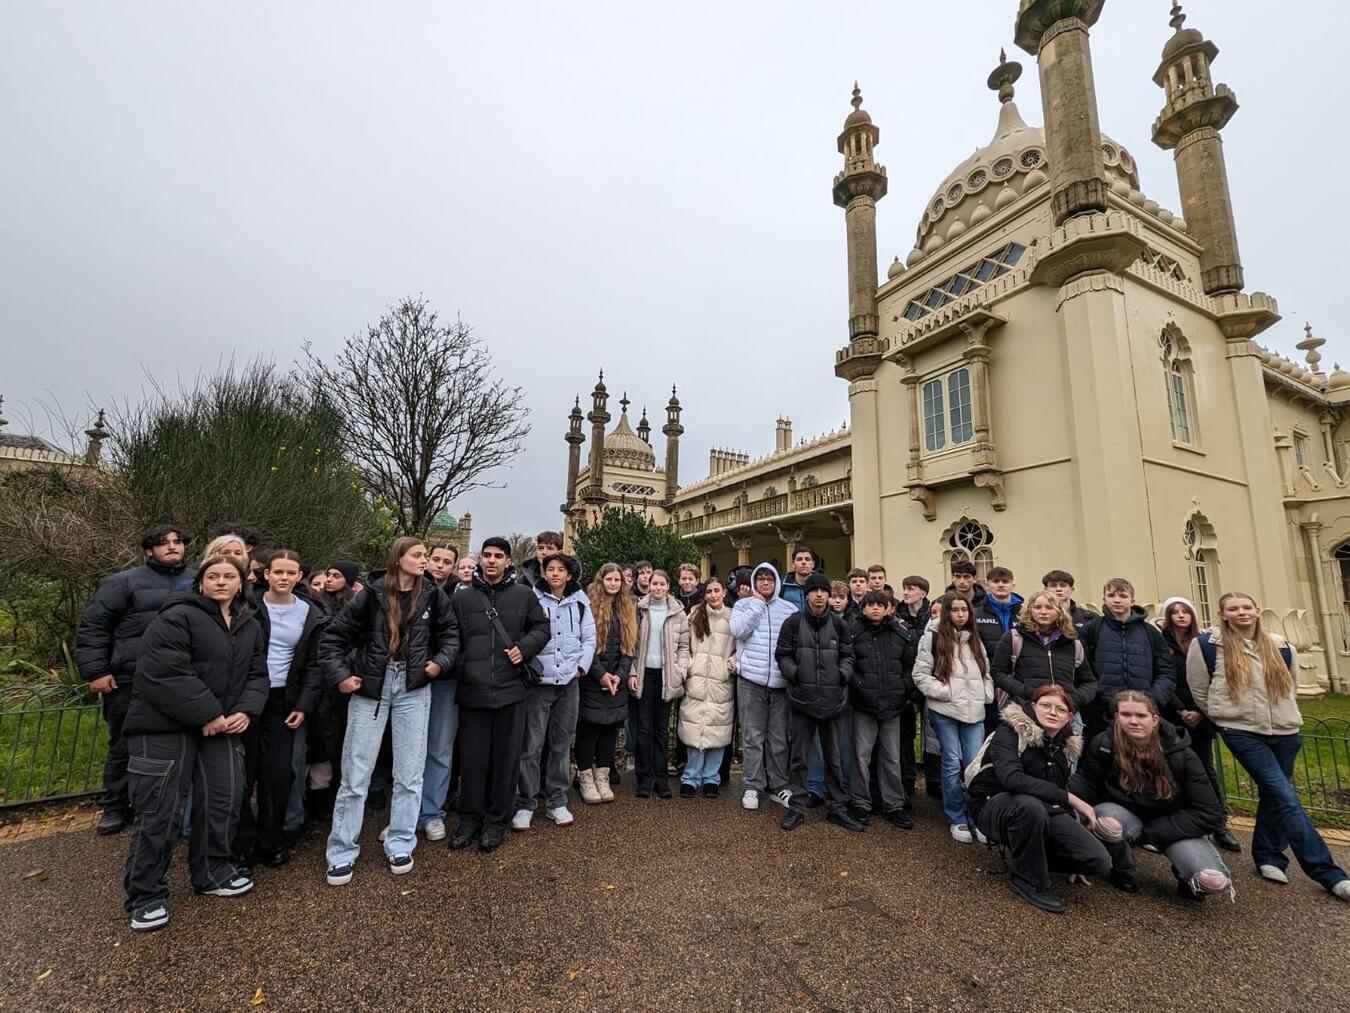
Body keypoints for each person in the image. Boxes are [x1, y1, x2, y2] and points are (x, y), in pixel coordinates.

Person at [121, 553, 268, 932]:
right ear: (200, 582)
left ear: (241, 582)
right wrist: (206, 714)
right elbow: (163, 671)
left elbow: (257, 673)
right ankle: (146, 894)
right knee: (160, 810)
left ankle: (212, 871)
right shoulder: (177, 616)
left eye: (229, 576)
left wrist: (246, 710)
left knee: (223, 799)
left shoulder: (248, 624)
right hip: (164, 727)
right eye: (213, 576)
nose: (221, 581)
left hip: (223, 727)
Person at [1187, 591, 1350, 901]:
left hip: (1285, 729)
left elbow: (1292, 683)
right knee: (1285, 796)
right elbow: (1199, 688)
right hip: (1241, 730)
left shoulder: (1280, 644)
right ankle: (1328, 872)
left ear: (1257, 611)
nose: (1241, 613)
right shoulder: (1209, 645)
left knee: (1274, 794)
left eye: (1246, 607)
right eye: (1233, 609)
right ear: (1223, 614)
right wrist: (1223, 716)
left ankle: (1268, 856)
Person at [319, 538, 459, 886]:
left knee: (410, 772)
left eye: (426, 556)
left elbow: (451, 636)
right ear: (398, 558)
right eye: (418, 555)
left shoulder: (432, 595)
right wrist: (341, 677)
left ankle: (400, 842)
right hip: (373, 686)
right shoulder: (372, 593)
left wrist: (438, 664)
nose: (424, 560)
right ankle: (341, 850)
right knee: (356, 774)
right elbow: (333, 638)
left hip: (413, 687)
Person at [76, 524, 196, 836]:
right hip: (130, 677)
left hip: (182, 676)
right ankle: (115, 805)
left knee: (179, 742)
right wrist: (96, 672)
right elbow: (94, 627)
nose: (172, 547)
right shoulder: (123, 582)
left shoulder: (198, 578)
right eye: (163, 543)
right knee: (123, 744)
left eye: (177, 542)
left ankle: (171, 804)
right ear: (148, 551)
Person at [1069, 691, 1232, 899]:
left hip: (1174, 824)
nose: (1133, 721)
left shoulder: (1183, 754)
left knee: (1212, 881)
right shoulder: (1104, 744)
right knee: (1105, 823)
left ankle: (1185, 876)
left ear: (1155, 720)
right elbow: (1086, 783)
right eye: (1126, 715)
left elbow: (1210, 813)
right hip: (1125, 814)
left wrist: (1152, 833)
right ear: (1116, 717)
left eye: (1141, 716)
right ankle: (1122, 869)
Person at [966, 686, 1111, 914]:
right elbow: (1011, 779)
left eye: (1060, 709)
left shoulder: (1066, 747)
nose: (1052, 712)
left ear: (1069, 717)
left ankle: (1034, 860)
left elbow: (1058, 795)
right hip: (993, 804)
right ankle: (1027, 878)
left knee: (1098, 860)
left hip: (1043, 809)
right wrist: (1072, 799)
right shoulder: (1009, 731)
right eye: (1046, 705)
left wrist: (1076, 848)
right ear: (1034, 707)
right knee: (1029, 806)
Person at [448, 537, 550, 852]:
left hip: (511, 691)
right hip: (473, 691)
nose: (492, 561)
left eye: (499, 556)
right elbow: (451, 638)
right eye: (487, 555)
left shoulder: (523, 595)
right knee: (473, 760)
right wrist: (464, 667)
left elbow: (542, 629)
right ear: (480, 560)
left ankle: (496, 822)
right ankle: (469, 820)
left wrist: (524, 647)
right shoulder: (462, 599)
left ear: (508, 561)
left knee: (506, 760)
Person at [234, 549, 325, 869]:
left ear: (299, 577)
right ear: (266, 575)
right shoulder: (247, 606)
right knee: (243, 775)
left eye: (291, 573)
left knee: (279, 774)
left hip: (283, 700)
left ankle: (270, 840)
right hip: (246, 698)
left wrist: (303, 704)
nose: (284, 578)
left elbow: (314, 664)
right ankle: (241, 844)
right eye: (278, 572)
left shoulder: (310, 612)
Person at [513, 554, 594, 830]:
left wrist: (580, 667)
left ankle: (557, 800)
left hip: (568, 682)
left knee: (561, 744)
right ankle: (526, 801)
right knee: (531, 746)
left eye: (561, 570)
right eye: (550, 569)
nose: (555, 574)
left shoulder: (581, 601)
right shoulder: (531, 597)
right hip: (539, 683)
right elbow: (522, 634)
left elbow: (589, 638)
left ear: (569, 575)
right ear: (544, 573)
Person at [776, 573, 861, 832]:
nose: (819, 595)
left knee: (833, 758)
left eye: (824, 591)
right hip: (802, 700)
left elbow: (848, 654)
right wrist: (795, 672)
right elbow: (782, 654)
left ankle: (837, 807)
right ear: (807, 594)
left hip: (833, 701)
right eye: (814, 591)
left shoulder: (839, 625)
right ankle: (797, 806)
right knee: (799, 758)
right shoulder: (792, 623)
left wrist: (842, 676)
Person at [1158, 596, 1241, 853]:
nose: (1181, 616)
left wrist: (1198, 710)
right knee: (1168, 766)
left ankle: (1218, 822)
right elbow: (1162, 674)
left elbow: (1212, 679)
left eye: (1185, 612)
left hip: (1201, 712)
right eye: (1175, 612)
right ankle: (1177, 819)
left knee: (1204, 767)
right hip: (1172, 712)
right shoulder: (1161, 642)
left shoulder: (1205, 643)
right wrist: (1179, 709)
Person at [912, 591, 992, 843]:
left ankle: (976, 814)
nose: (960, 614)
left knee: (973, 764)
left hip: (974, 710)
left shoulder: (974, 637)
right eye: (955, 610)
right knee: (952, 762)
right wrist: (945, 693)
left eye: (964, 610)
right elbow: (921, 673)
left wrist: (985, 694)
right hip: (946, 710)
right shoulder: (934, 635)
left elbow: (985, 671)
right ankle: (957, 816)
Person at [730, 563, 797, 811]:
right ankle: (753, 785)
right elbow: (738, 631)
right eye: (761, 579)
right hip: (751, 681)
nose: (765, 583)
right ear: (756, 582)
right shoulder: (742, 606)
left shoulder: (789, 609)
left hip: (780, 683)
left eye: (770, 579)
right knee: (753, 737)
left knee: (779, 738)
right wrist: (756, 604)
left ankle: (779, 785)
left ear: (776, 582)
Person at [846, 590, 915, 829]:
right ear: (863, 608)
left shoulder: (899, 633)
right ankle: (860, 802)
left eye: (880, 604)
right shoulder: (853, 632)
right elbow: (848, 663)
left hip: (892, 705)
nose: (875, 608)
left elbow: (909, 666)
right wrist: (859, 686)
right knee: (861, 756)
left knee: (892, 758)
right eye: (870, 604)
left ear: (888, 608)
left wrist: (903, 689)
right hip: (864, 703)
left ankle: (893, 804)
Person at [1083, 578, 1175, 741]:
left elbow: (1166, 671)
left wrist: (1153, 699)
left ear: (1132, 601)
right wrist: (1097, 696)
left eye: (1123, 596)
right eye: (1111, 595)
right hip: (1102, 712)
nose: (1117, 600)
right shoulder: (1092, 629)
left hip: (1143, 710)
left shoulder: (1150, 632)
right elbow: (1083, 669)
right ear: (1104, 600)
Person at [576, 563, 635, 804]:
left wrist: (619, 676)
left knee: (609, 729)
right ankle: (585, 777)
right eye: (609, 579)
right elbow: (586, 645)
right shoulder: (589, 607)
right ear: (601, 581)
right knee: (588, 729)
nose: (613, 584)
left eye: (617, 580)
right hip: (593, 678)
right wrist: (601, 675)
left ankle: (603, 775)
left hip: (615, 680)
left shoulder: (626, 608)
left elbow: (629, 648)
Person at [630, 570, 690, 799]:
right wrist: (633, 672)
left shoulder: (677, 612)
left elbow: (684, 646)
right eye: (654, 583)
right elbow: (631, 644)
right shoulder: (639, 610)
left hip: (667, 676)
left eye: (662, 584)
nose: (657, 587)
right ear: (649, 584)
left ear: (667, 586)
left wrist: (680, 670)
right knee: (643, 729)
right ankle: (644, 779)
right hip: (645, 674)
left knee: (662, 730)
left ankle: (661, 779)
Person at [992, 591, 1097, 715]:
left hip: (1064, 713)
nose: (1043, 612)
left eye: (1049, 607)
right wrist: (1027, 693)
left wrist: (1075, 698)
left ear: (1059, 611)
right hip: (1025, 710)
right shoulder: (1014, 637)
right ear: (1029, 610)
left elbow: (1088, 681)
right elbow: (998, 673)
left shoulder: (1072, 643)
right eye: (1037, 607)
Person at [678, 577, 736, 797]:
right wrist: (690, 666)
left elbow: (742, 646)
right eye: (709, 591)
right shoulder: (694, 616)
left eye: (717, 590)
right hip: (697, 680)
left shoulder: (733, 618)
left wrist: (729, 665)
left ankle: (712, 777)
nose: (713, 595)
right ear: (705, 595)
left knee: (718, 729)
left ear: (723, 593)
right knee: (694, 728)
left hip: (721, 682)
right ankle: (691, 777)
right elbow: (684, 645)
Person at [1041, 570, 1091, 635]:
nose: (1058, 589)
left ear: (1072, 589)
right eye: (1053, 585)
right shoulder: (1036, 617)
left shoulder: (1089, 618)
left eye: (1063, 585)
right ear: (1046, 590)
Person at [779, 546, 816, 611]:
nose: (803, 562)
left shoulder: (822, 587)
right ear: (793, 564)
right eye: (799, 559)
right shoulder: (782, 587)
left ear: (813, 564)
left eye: (807, 559)